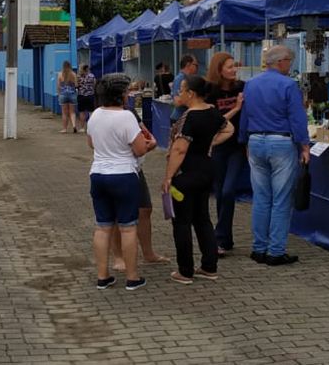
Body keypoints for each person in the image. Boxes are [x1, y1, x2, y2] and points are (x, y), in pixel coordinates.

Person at [239, 45, 309, 266]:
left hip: (256, 140)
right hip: (281, 142)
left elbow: (245, 114)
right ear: (281, 62)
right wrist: (304, 145)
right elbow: (297, 118)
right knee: (281, 199)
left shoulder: (250, 84)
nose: (291, 65)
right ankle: (275, 251)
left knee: (261, 197)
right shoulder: (289, 85)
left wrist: (244, 140)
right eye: (290, 60)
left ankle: (258, 248)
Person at [86, 73, 157, 290]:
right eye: (127, 91)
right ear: (121, 95)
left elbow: (91, 144)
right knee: (128, 228)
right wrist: (151, 144)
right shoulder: (126, 117)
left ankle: (102, 275)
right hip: (123, 175)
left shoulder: (95, 115)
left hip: (98, 174)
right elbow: (139, 149)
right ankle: (132, 277)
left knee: (103, 227)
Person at [162, 75, 234, 284]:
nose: (179, 94)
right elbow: (229, 128)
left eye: (182, 90)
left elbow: (180, 148)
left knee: (182, 223)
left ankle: (185, 270)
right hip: (206, 169)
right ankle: (209, 266)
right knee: (203, 218)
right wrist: (210, 142)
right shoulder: (212, 112)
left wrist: (168, 176)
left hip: (187, 174)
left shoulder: (188, 117)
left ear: (191, 93)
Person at [110, 103, 170, 271]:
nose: (127, 95)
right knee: (116, 215)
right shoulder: (103, 114)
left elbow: (146, 135)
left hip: (135, 169)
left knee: (145, 209)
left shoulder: (130, 113)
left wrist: (150, 142)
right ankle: (119, 257)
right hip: (116, 171)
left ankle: (148, 253)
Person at [205, 51, 246, 256]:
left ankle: (219, 237)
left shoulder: (241, 87)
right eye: (229, 67)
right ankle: (224, 239)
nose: (234, 70)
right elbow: (215, 121)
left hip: (237, 147)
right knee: (220, 192)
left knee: (229, 190)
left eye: (234, 66)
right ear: (219, 69)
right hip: (219, 146)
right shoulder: (210, 91)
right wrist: (236, 108)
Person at [170, 55, 199, 123]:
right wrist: (195, 102)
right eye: (196, 65)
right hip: (179, 119)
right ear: (188, 65)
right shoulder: (180, 79)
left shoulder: (187, 78)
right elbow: (177, 101)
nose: (197, 68)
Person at [57, 61, 79, 134]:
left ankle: (64, 129)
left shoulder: (60, 74)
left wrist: (59, 94)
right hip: (72, 94)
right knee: (72, 112)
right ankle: (74, 125)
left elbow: (59, 86)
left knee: (64, 113)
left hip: (63, 94)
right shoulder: (73, 74)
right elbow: (76, 85)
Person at [76, 64, 97, 133]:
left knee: (82, 112)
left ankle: (82, 128)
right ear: (87, 69)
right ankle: (90, 128)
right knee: (91, 112)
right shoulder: (92, 76)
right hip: (90, 95)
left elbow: (76, 85)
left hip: (81, 96)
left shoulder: (78, 76)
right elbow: (94, 85)